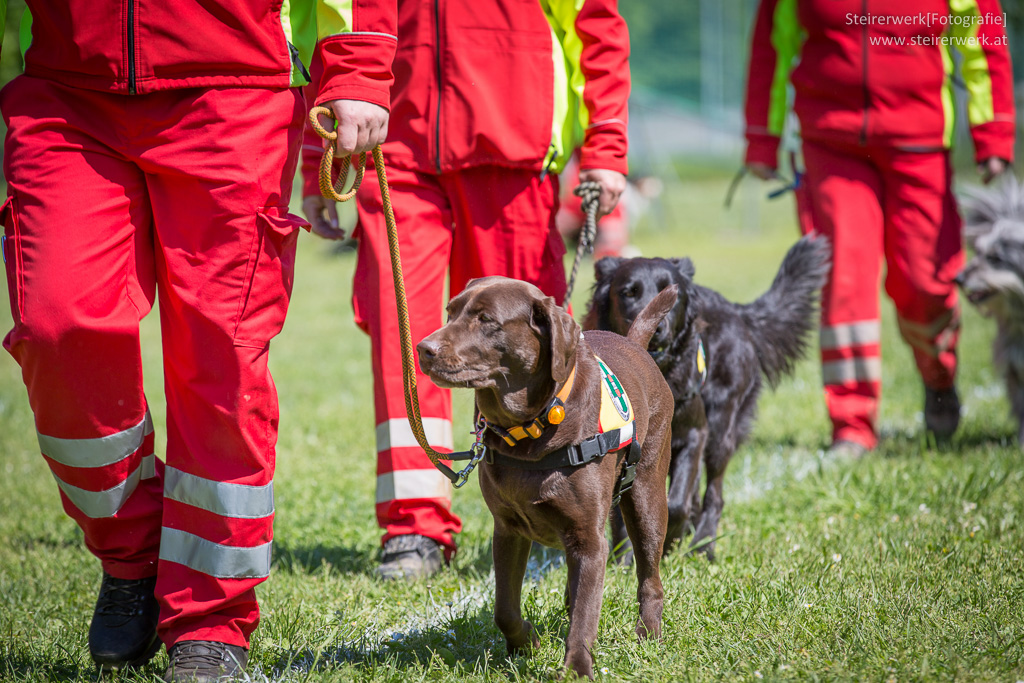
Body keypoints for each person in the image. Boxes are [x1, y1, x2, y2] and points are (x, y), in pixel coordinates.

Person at [0, 1, 395, 679]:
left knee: (222, 365)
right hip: (67, 92)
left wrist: (355, 67)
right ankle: (132, 555)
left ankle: (210, 620)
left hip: (232, 94)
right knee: (56, 327)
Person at [302, 0, 631, 580]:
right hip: (391, 145)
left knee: (539, 352)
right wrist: (318, 154)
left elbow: (594, 20)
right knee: (403, 342)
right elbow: (332, 20)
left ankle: (565, 503)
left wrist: (605, 141)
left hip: (513, 141)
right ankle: (413, 527)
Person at [744, 0, 1016, 456]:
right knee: (843, 280)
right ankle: (852, 426)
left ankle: (939, 376)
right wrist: (761, 135)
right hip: (831, 141)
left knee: (924, 283)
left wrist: (994, 128)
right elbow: (772, 41)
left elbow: (983, 30)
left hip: (921, 140)